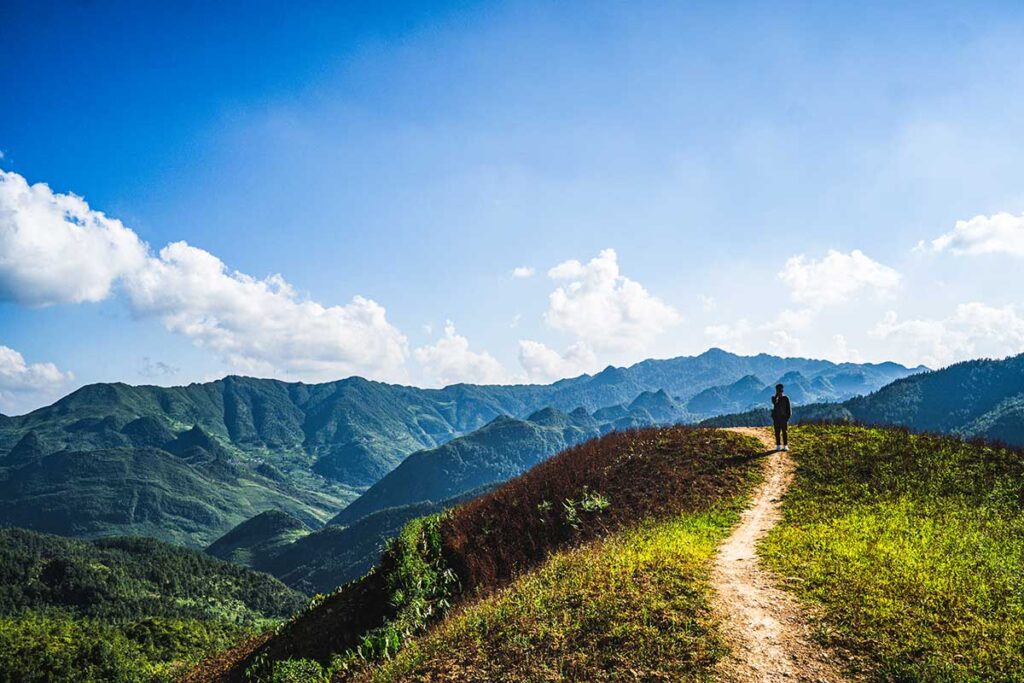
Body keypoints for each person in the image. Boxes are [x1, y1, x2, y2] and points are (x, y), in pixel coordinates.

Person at [771, 383, 791, 451]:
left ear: (782, 390)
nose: (779, 391)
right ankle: (778, 445)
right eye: (778, 390)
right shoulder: (774, 398)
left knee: (784, 432)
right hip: (776, 418)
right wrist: (776, 395)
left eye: (780, 389)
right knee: (777, 432)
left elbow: (789, 409)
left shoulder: (786, 398)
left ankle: (785, 445)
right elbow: (774, 402)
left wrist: (786, 418)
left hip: (783, 419)